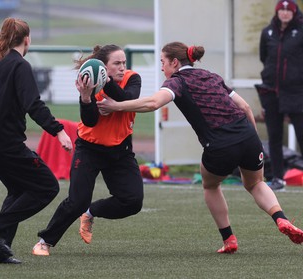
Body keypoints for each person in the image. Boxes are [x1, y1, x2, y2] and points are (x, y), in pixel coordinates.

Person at [97, 41, 303, 253]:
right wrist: (255, 141)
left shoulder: (177, 82)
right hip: (248, 137)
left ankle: (229, 238)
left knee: (210, 185)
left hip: (221, 144)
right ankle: (281, 219)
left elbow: (152, 103)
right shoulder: (211, 76)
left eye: (163, 62)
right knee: (255, 183)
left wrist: (116, 106)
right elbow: (245, 107)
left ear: (175, 62)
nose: (161, 68)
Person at [32, 44, 144, 256]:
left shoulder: (132, 78)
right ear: (104, 66)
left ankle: (90, 212)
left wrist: (107, 83)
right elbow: (90, 121)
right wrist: (86, 97)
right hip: (89, 149)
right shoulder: (89, 83)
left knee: (133, 202)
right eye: (117, 63)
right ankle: (45, 240)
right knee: (77, 201)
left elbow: (126, 99)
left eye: (124, 63)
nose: (122, 67)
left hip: (120, 149)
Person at [0, 18, 73, 264]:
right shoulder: (20, 66)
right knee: (47, 187)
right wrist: (59, 131)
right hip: (6, 144)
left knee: (19, 190)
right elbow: (34, 104)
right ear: (27, 39)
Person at [257, 0, 303, 191]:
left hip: (296, 93)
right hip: (271, 92)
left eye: (288, 10)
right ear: (277, 12)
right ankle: (278, 178)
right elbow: (263, 56)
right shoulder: (267, 32)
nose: (285, 13)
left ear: (294, 13)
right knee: (274, 136)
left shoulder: (300, 31)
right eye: (281, 10)